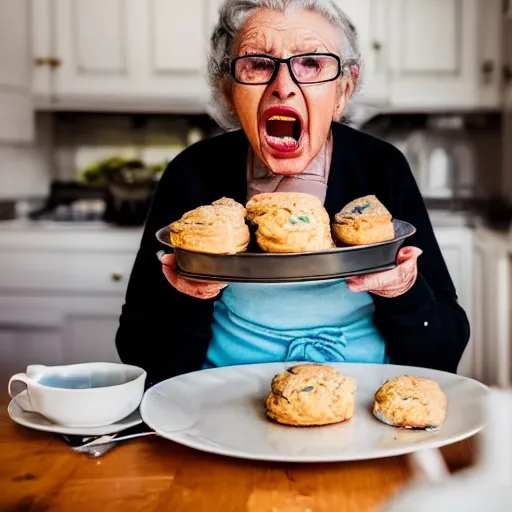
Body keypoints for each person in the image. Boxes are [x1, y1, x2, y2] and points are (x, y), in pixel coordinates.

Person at [115, 0, 470, 386]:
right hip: (219, 407)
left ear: (343, 92)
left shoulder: (381, 169)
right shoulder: (192, 174)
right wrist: (188, 295)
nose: (283, 87)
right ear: (229, 92)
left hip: (359, 405)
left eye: (312, 64)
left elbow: (443, 353)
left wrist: (403, 291)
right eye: (258, 64)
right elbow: (140, 355)